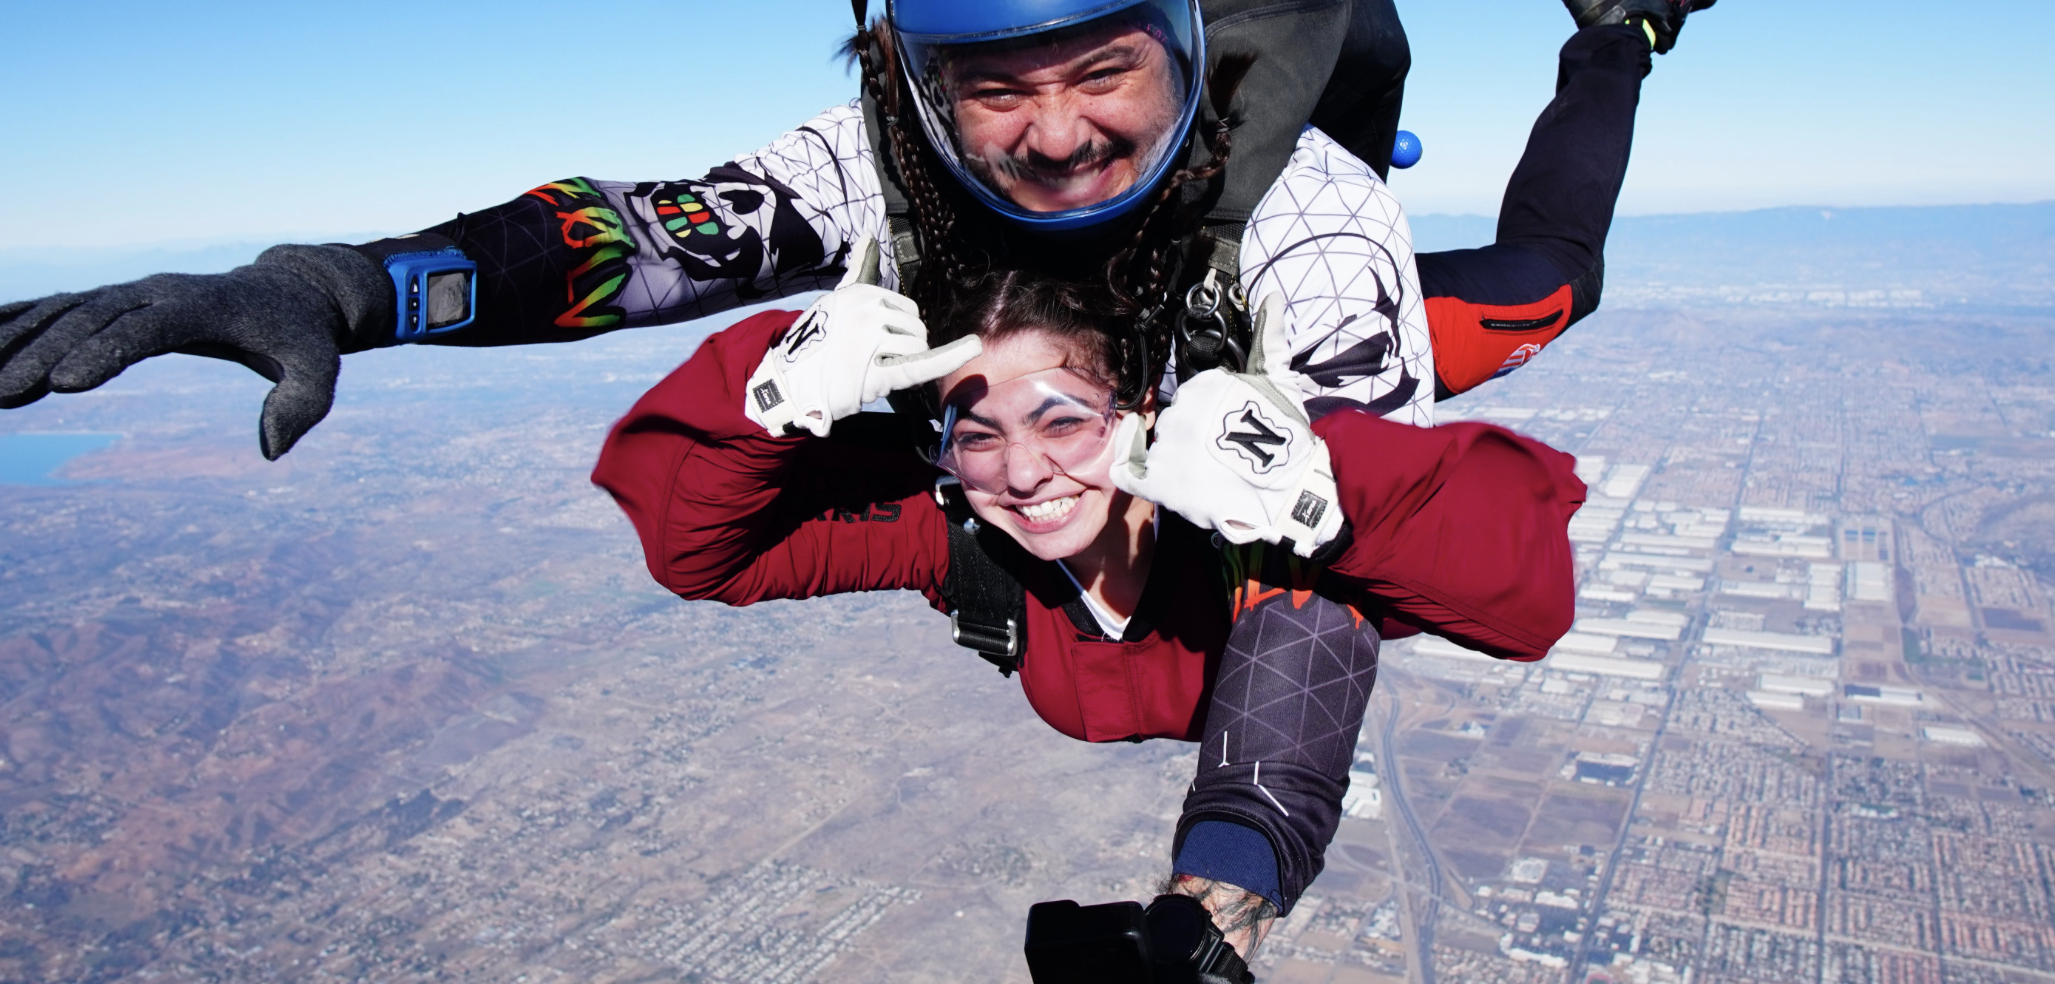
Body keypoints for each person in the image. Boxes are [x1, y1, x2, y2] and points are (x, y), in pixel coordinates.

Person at [0, 0, 1722, 472]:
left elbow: (1331, 529)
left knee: (1550, 281)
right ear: (911, 88)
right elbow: (652, 235)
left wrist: (1228, 867)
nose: (1046, 137)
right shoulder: (880, 150)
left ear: (1185, 48)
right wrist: (344, 285)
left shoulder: (1310, 225)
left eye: (1100, 70)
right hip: (1071, 342)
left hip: (1242, 319)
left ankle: (1612, 30)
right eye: (986, 89)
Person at [592, 260, 1586, 961]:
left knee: (1556, 280)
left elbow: (1527, 593)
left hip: (1326, 359)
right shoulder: (970, 532)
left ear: (1145, 406)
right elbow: (699, 550)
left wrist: (1318, 482)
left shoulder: (1246, 512)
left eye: (1063, 418)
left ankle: (1621, 32)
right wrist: (768, 383)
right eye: (975, 432)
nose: (1023, 472)